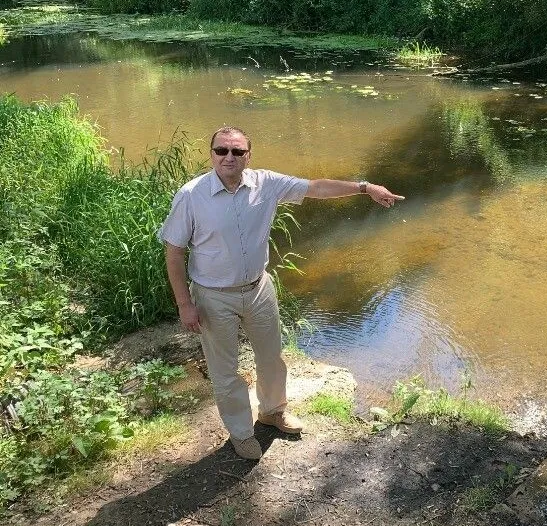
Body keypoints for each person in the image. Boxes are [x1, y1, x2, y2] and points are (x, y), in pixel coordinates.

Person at [158, 125, 403, 460]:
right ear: (211, 154)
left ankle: (272, 412)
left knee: (272, 356)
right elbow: (173, 252)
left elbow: (316, 188)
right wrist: (185, 304)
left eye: (237, 151)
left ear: (249, 155)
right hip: (213, 295)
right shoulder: (191, 195)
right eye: (221, 151)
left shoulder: (266, 183)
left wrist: (364, 187)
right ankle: (241, 433)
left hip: (258, 288)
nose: (229, 157)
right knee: (225, 369)